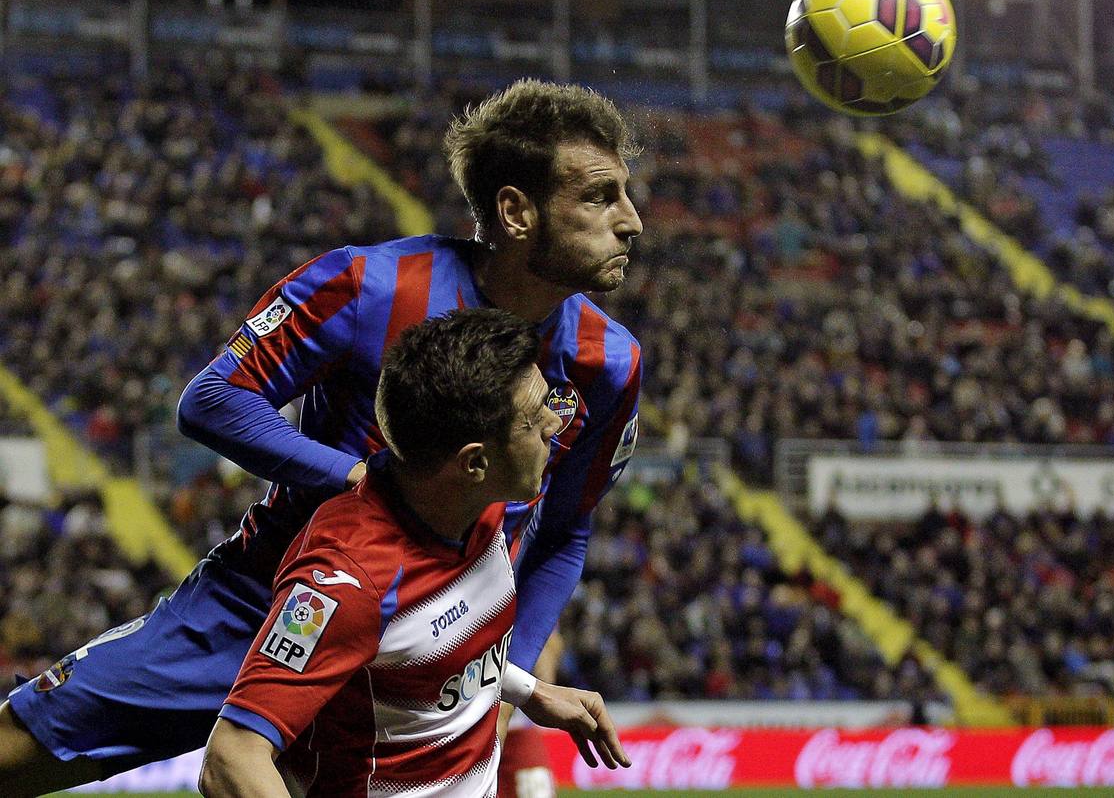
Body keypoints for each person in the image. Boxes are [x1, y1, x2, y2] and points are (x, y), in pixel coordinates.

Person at [0, 79, 644, 796]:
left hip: (432, 650)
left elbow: (565, 529)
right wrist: (355, 481)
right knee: (20, 751)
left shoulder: (609, 363)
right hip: (270, 600)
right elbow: (214, 398)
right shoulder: (370, 285)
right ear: (516, 211)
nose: (631, 221)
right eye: (599, 196)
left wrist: (505, 673)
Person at [199, 308, 629, 796]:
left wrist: (530, 692)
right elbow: (231, 758)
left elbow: (417, 650)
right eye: (534, 420)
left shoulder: (477, 506)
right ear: (476, 462)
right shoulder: (348, 579)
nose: (556, 423)